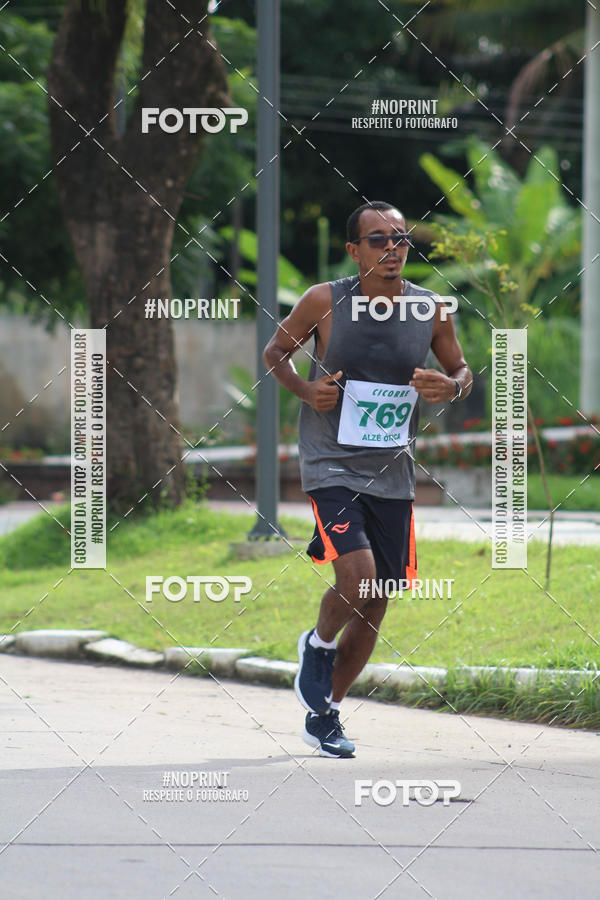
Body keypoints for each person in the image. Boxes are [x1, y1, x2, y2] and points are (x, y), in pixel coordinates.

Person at [262, 201, 472, 758]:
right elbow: (276, 351)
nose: (393, 249)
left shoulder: (431, 308)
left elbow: (461, 370)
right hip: (330, 464)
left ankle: (324, 712)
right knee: (357, 576)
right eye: (378, 239)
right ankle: (318, 643)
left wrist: (450, 387)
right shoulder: (324, 301)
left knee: (377, 597)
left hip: (392, 472)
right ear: (354, 250)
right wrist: (306, 391)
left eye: (401, 239)